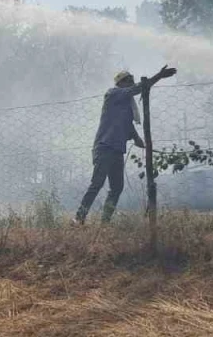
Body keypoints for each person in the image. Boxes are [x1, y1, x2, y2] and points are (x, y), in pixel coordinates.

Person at [74, 66, 177, 224]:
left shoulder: (126, 105)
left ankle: (105, 222)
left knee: (116, 188)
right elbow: (136, 89)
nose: (132, 82)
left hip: (117, 150)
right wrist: (159, 76)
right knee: (97, 184)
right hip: (105, 147)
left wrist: (137, 139)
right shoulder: (113, 93)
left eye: (132, 79)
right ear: (120, 83)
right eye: (129, 80)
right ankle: (78, 218)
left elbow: (128, 125)